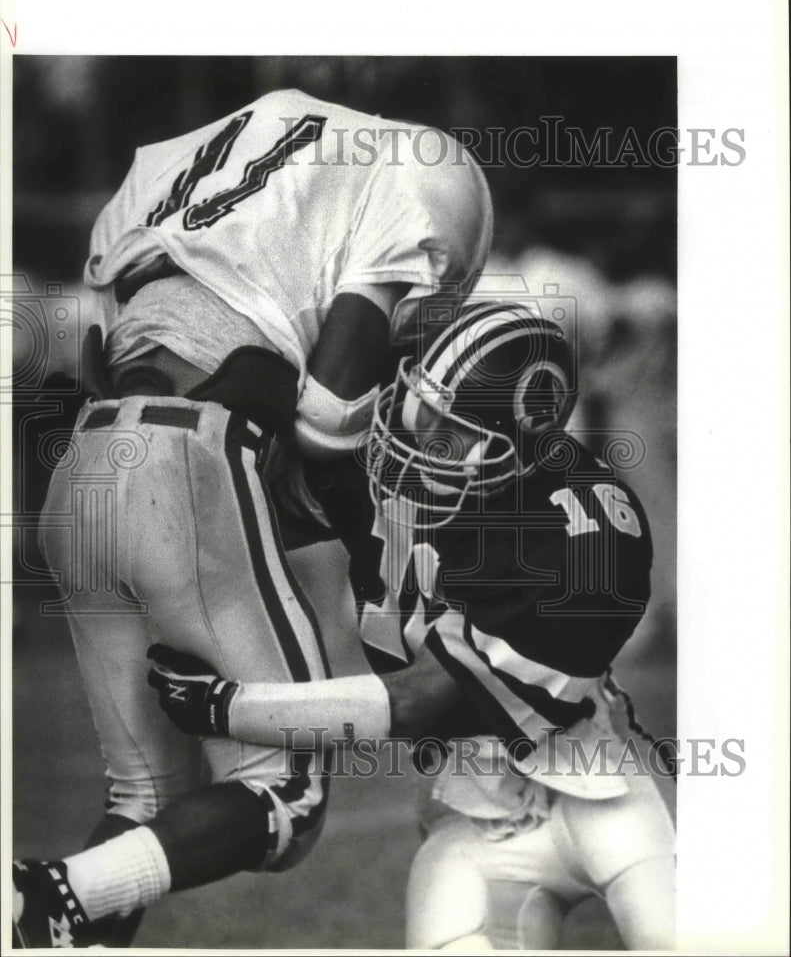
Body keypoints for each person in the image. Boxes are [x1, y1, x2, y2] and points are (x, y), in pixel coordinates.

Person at [11, 88, 492, 948]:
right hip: (192, 458)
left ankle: (47, 917)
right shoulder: (422, 171)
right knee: (286, 798)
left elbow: (96, 355)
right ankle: (34, 892)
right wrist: (366, 540)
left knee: (144, 803)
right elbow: (330, 413)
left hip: (82, 472)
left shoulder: (166, 168)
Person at [146, 299, 677, 950]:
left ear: (520, 443)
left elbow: (413, 700)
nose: (412, 435)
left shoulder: (581, 530)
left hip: (602, 795)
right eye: (417, 408)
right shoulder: (409, 473)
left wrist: (229, 707)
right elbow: (244, 517)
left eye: (446, 430)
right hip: (471, 812)